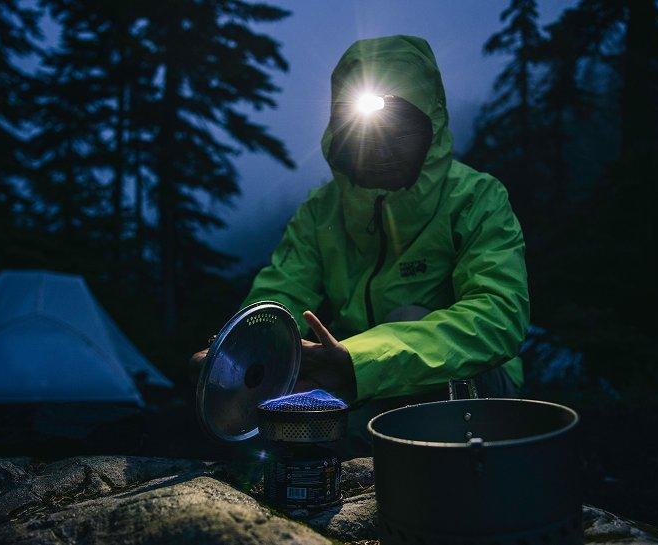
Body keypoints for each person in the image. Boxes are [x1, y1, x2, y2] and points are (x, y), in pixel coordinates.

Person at [192, 35, 530, 452]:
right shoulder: (321, 212)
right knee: (283, 364)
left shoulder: (475, 198)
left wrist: (360, 360)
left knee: (407, 316)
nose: (384, 145)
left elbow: (499, 315)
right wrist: (240, 354)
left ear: (432, 129)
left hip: (474, 391)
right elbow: (280, 296)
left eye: (403, 127)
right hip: (360, 387)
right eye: (368, 128)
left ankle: (441, 483)